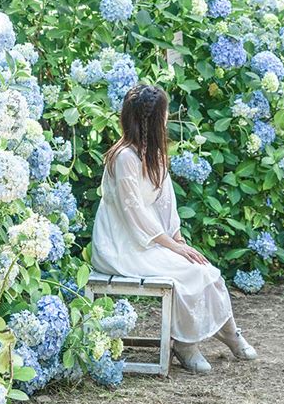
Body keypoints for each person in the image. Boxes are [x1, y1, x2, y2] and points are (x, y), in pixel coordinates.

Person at [91, 83, 258, 374]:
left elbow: (165, 202)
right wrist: (171, 246)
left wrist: (178, 241)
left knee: (205, 269)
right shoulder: (124, 157)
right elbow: (135, 213)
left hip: (151, 240)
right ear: (154, 120)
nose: (169, 118)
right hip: (121, 245)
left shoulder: (153, 154)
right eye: (165, 114)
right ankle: (185, 343)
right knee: (187, 273)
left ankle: (231, 333)